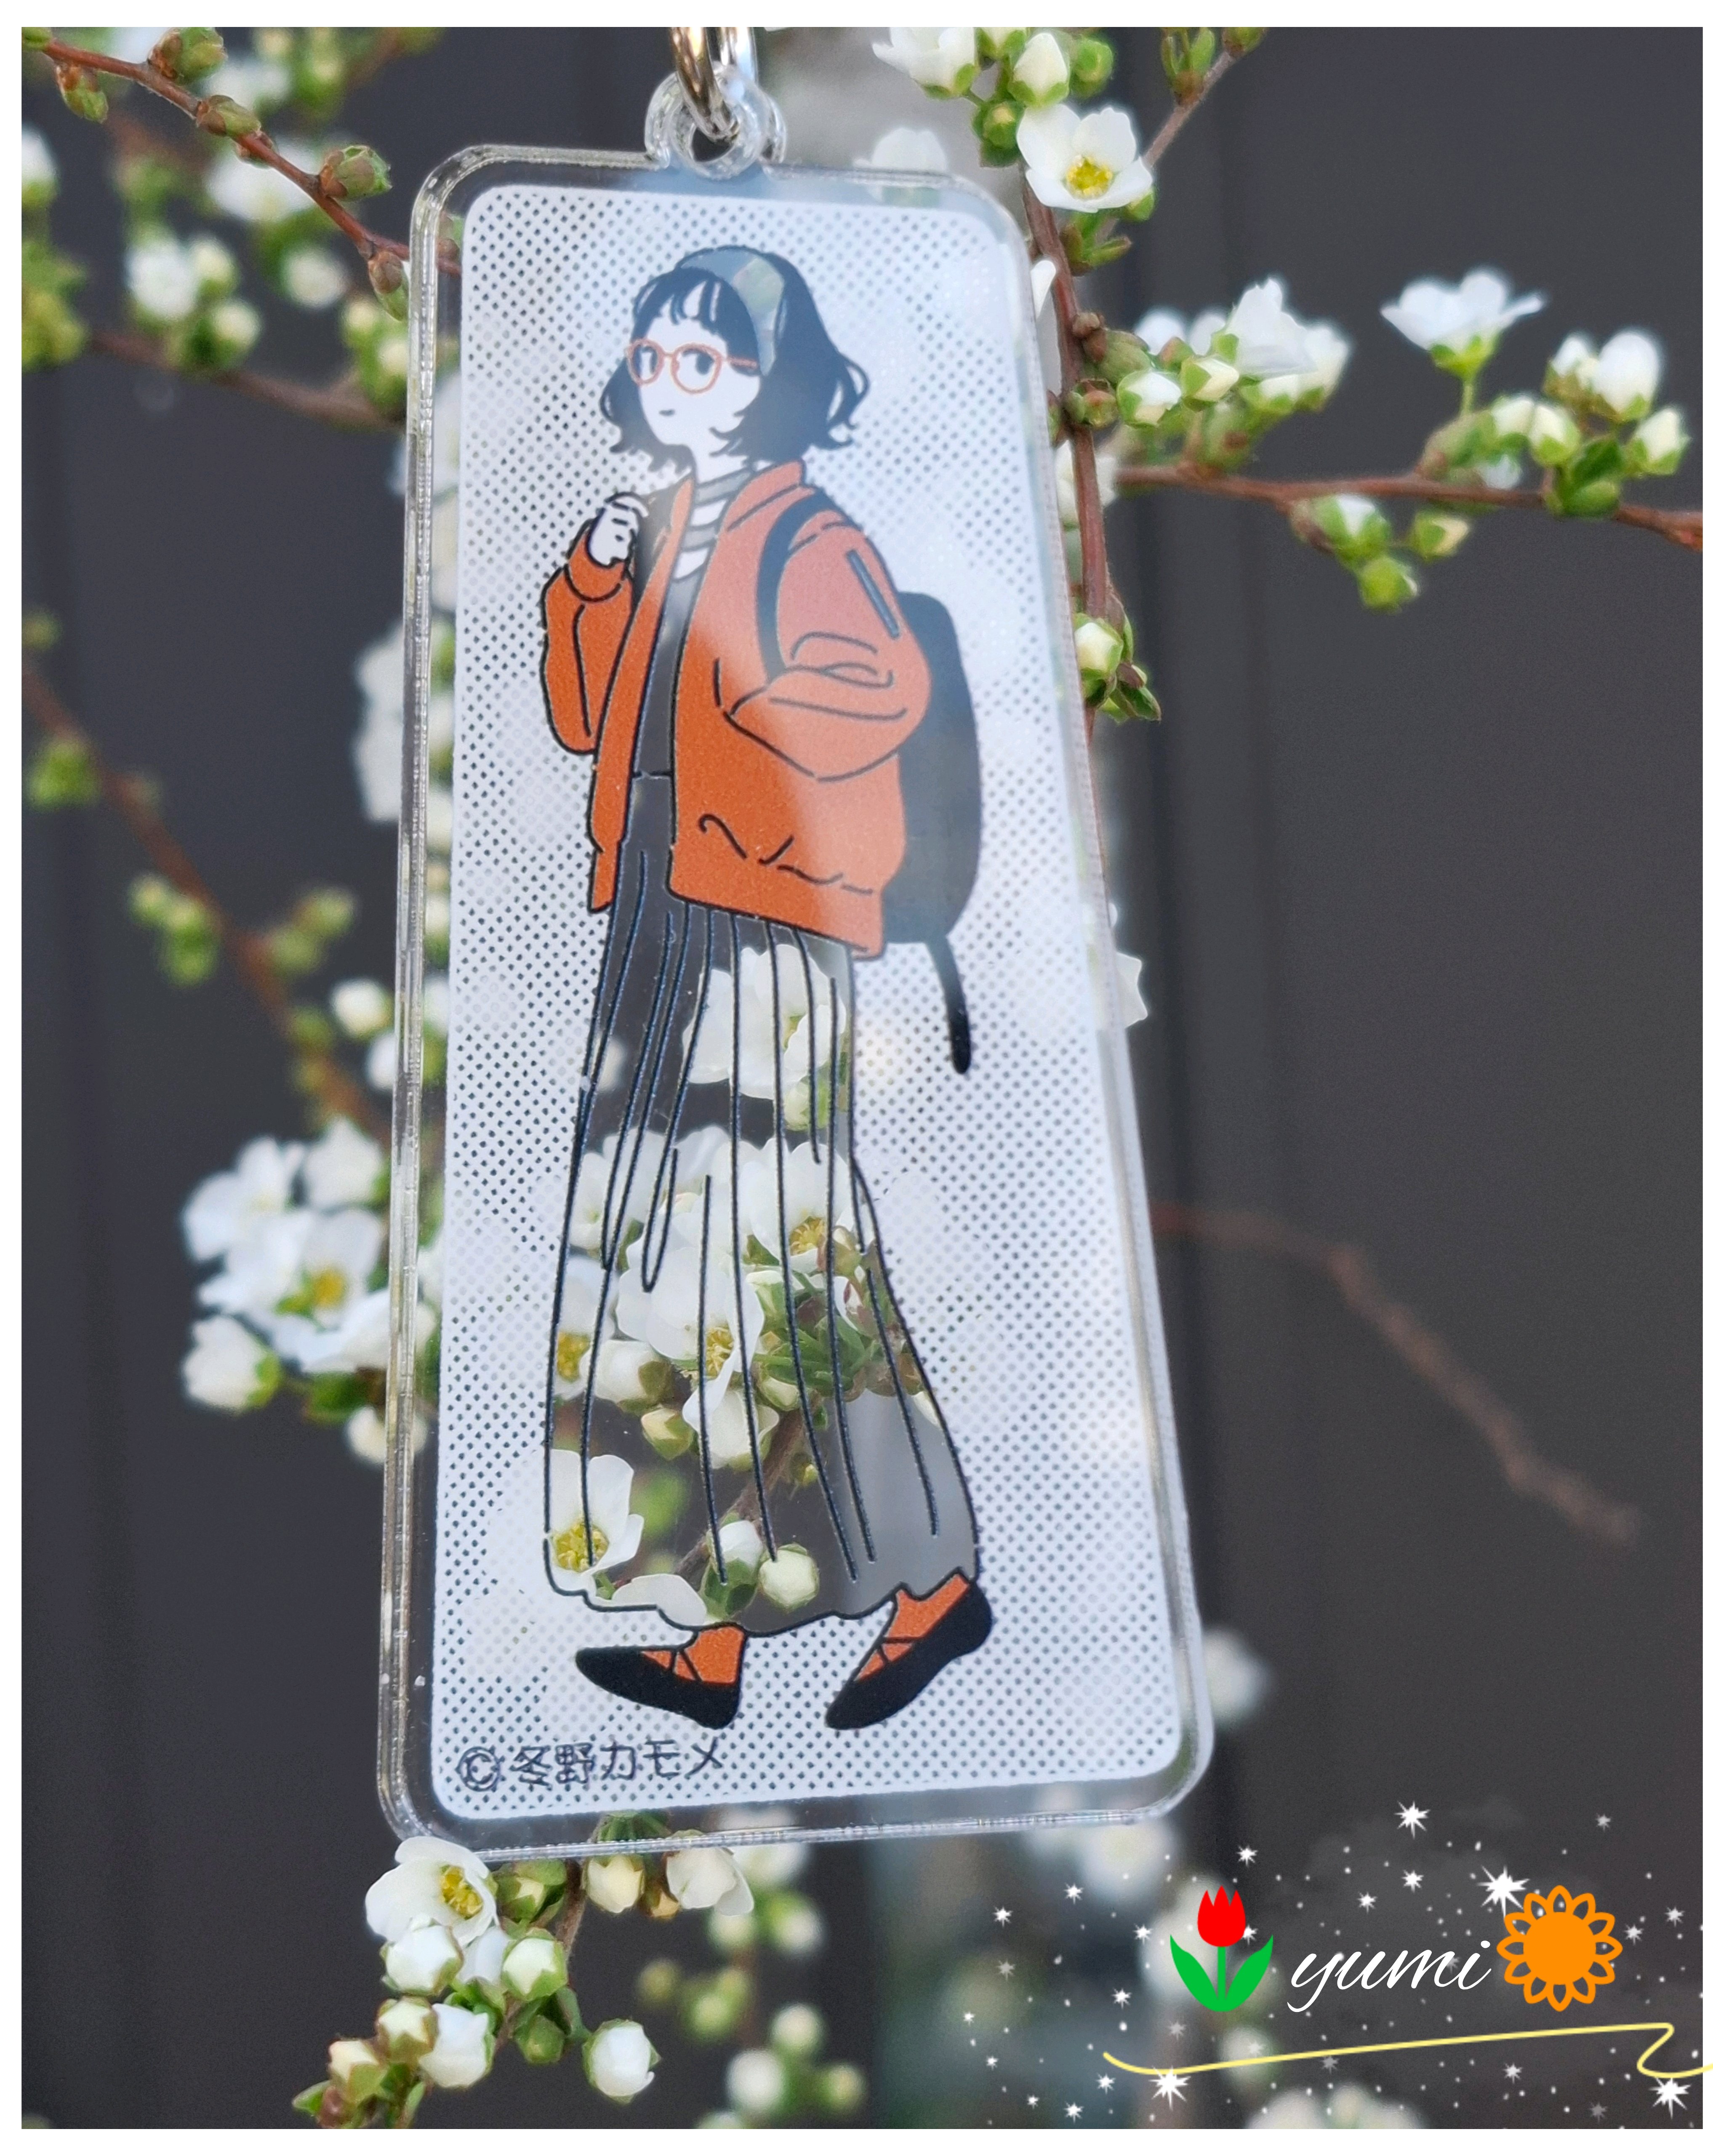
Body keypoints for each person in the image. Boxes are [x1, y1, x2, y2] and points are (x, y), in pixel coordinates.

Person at [536, 246, 988, 1732]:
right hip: (660, 905)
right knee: (668, 1253)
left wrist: (738, 708)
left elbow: (877, 689)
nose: (674, 384)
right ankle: (708, 1624)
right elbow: (584, 718)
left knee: (793, 1252)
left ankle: (928, 1584)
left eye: (707, 360)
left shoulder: (809, 532)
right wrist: (592, 583)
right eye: (655, 359)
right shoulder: (667, 527)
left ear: (770, 379)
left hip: (766, 916)